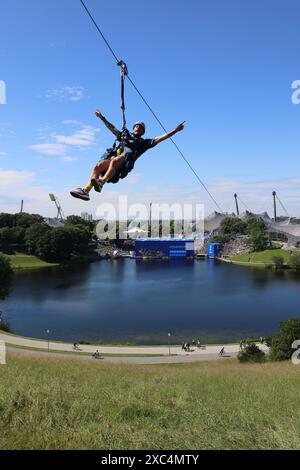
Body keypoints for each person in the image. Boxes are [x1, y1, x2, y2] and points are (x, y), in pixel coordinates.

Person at [70, 110, 185, 201]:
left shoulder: (143, 143)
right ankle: (86, 190)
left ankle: (102, 182)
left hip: (123, 163)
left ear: (142, 132)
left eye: (140, 128)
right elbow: (111, 128)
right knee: (98, 166)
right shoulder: (124, 135)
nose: (138, 128)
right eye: (136, 126)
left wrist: (175, 130)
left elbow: (160, 138)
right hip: (113, 160)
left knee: (115, 160)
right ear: (133, 128)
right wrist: (102, 117)